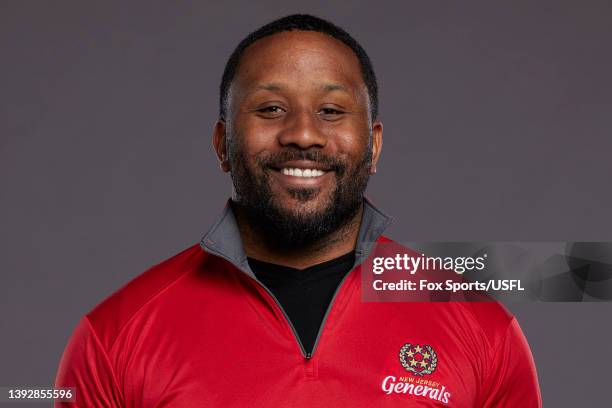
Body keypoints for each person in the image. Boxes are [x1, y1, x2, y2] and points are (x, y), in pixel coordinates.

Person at [55, 14, 542, 407]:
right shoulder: (114, 337)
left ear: (373, 147)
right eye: (270, 109)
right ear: (223, 144)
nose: (303, 134)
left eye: (331, 111)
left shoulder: (479, 326)